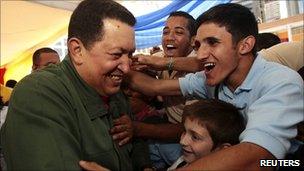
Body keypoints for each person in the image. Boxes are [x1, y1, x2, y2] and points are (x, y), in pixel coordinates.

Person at [127, 3, 303, 170]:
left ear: (245, 45)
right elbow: (154, 87)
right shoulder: (212, 79)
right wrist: (119, 65)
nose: (201, 54)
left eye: (212, 42)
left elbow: (258, 158)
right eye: (198, 45)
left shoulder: (281, 81)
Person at [0, 0, 152, 170]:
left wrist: (145, 166)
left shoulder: (113, 91)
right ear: (77, 50)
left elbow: (134, 145)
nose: (126, 67)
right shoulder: (39, 93)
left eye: (129, 54)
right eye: (116, 54)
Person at [132, 11, 197, 169]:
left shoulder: (200, 70)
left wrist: (138, 129)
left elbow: (188, 129)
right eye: (166, 31)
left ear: (193, 40)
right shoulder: (160, 58)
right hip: (163, 134)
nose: (169, 37)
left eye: (178, 32)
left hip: (188, 142)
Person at [168, 99, 245, 170]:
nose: (182, 141)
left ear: (222, 150)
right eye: (184, 131)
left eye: (195, 137)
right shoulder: (185, 159)